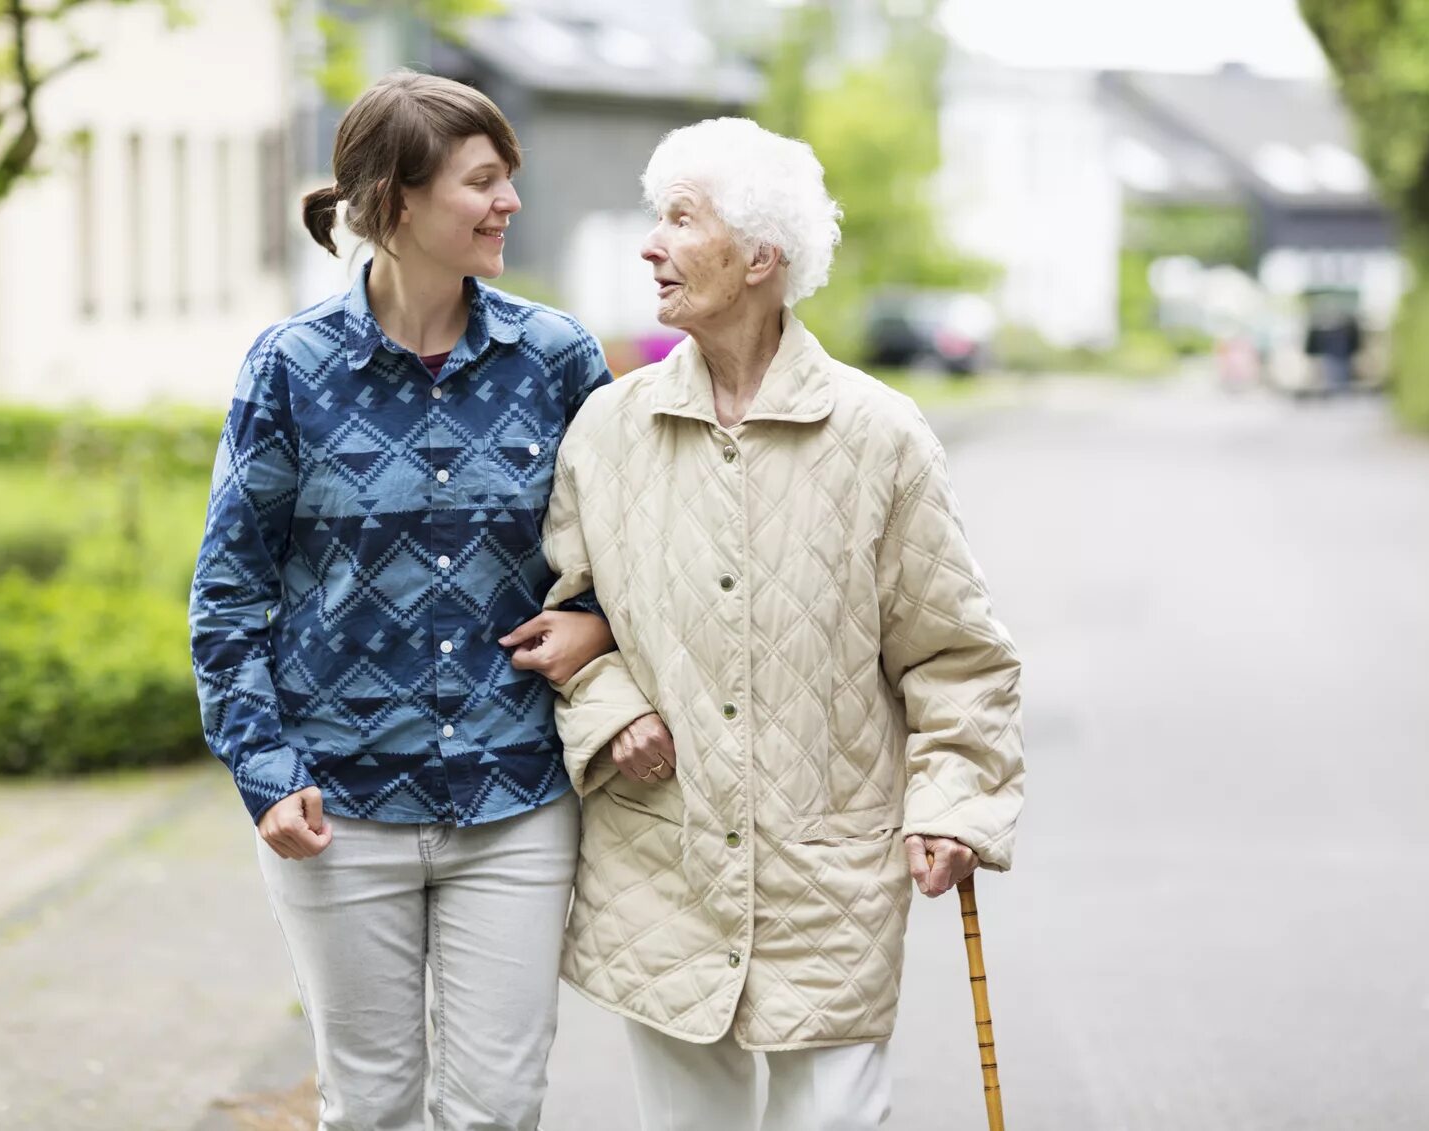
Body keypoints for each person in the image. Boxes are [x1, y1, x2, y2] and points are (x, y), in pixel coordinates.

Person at [522, 117, 1026, 1130]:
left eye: (679, 219)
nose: (649, 245)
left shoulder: (878, 436)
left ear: (761, 256)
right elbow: (556, 619)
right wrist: (610, 700)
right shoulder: (607, 431)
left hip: (827, 871)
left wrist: (952, 803)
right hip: (662, 863)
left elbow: (953, 654)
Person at [189, 70, 615, 1131]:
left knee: (498, 1106)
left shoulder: (556, 361)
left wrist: (600, 621)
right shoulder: (290, 369)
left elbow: (631, 551)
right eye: (481, 182)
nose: (509, 202)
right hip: (337, 806)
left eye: (507, 178)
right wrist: (264, 770)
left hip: (512, 796)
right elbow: (228, 594)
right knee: (370, 1103)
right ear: (395, 203)